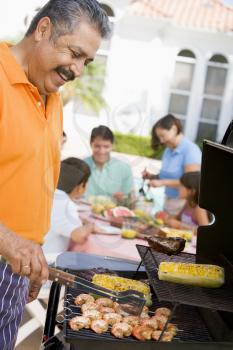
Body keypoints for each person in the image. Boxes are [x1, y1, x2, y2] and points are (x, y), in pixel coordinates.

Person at [0, 1, 110, 348]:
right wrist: (9, 240)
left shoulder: (52, 96)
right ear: (43, 29)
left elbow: (32, 184)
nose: (77, 70)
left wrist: (32, 249)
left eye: (86, 62)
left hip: (17, 265)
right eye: (74, 54)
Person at [143, 114, 201, 215]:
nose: (161, 140)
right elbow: (168, 175)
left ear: (174, 129)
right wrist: (152, 176)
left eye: (163, 136)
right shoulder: (168, 150)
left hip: (182, 204)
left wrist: (162, 183)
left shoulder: (191, 150)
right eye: (159, 137)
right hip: (169, 200)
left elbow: (192, 183)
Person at [43, 158, 98, 255]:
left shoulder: (48, 194)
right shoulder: (66, 204)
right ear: (81, 187)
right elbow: (79, 236)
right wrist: (91, 225)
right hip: (47, 263)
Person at [84, 125, 134, 199]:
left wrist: (124, 198)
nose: (102, 151)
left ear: (112, 146)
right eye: (97, 146)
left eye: (106, 146)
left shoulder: (125, 169)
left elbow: (130, 199)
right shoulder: (80, 167)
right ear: (91, 144)